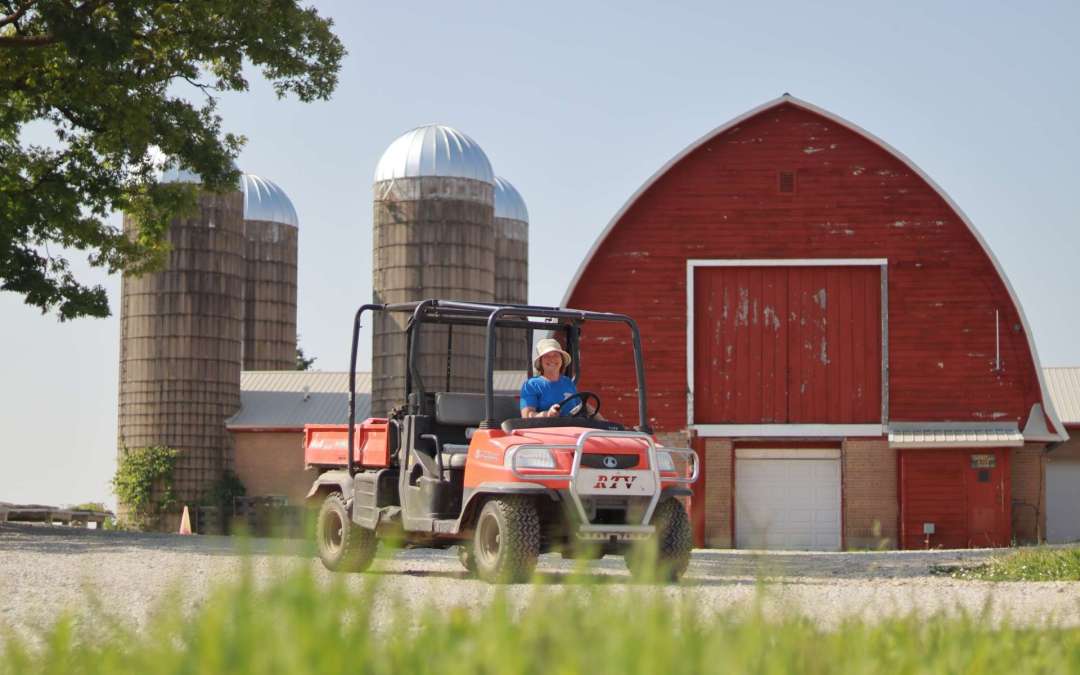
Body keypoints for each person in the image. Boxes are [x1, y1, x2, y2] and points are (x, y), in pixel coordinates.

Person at [519, 338, 580, 418]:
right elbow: (527, 416)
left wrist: (601, 422)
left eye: (556, 355)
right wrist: (547, 414)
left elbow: (582, 405)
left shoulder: (568, 382)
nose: (552, 359)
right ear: (540, 362)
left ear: (562, 360)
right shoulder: (531, 385)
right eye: (546, 356)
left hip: (573, 428)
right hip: (545, 429)